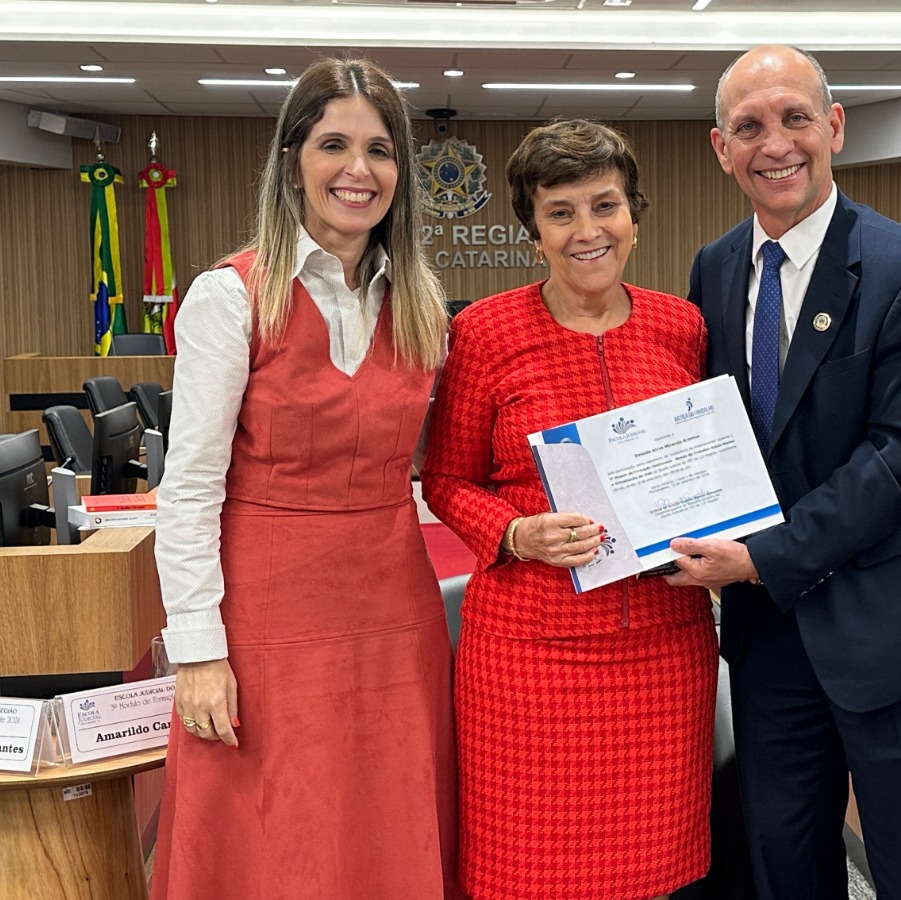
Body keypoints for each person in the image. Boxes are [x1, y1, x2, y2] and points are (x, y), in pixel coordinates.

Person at [669, 45, 901, 900]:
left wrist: (758, 556)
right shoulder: (712, 270)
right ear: (720, 148)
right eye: (749, 127)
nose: (774, 143)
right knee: (783, 868)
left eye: (794, 118)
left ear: (835, 129)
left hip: (899, 630)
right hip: (771, 638)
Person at [150, 58, 461, 899]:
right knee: (275, 833)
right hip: (266, 618)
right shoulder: (231, 295)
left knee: (385, 820)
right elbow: (188, 490)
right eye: (334, 145)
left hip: (396, 615)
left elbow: (439, 464)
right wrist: (198, 652)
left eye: (380, 149)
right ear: (293, 161)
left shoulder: (423, 303)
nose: (359, 170)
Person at [421, 118, 717, 900]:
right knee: (524, 874)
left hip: (662, 647)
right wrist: (513, 532)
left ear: (633, 214)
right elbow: (444, 480)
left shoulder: (681, 327)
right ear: (533, 229)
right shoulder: (483, 332)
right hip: (528, 660)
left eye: (605, 205)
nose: (588, 231)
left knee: (656, 872)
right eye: (561, 212)